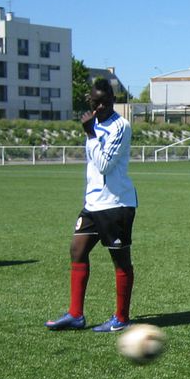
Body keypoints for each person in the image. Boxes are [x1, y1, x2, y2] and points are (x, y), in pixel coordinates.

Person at [46, 78, 138, 332]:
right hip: (93, 204)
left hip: (116, 204)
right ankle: (76, 315)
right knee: (77, 250)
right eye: (95, 103)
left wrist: (89, 134)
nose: (99, 108)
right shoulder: (95, 124)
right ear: (90, 101)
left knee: (120, 261)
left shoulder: (121, 126)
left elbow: (105, 165)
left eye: (105, 103)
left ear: (113, 101)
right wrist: (91, 131)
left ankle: (121, 318)